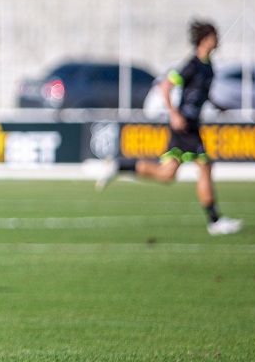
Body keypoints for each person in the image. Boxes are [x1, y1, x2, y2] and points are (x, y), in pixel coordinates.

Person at [97, 20, 242, 236]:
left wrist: (218, 106)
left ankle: (120, 166)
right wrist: (174, 113)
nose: (217, 40)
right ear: (205, 40)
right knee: (205, 166)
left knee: (166, 174)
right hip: (185, 126)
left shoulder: (208, 66)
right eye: (213, 36)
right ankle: (215, 222)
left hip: (191, 125)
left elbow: (200, 94)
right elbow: (165, 86)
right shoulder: (192, 65)